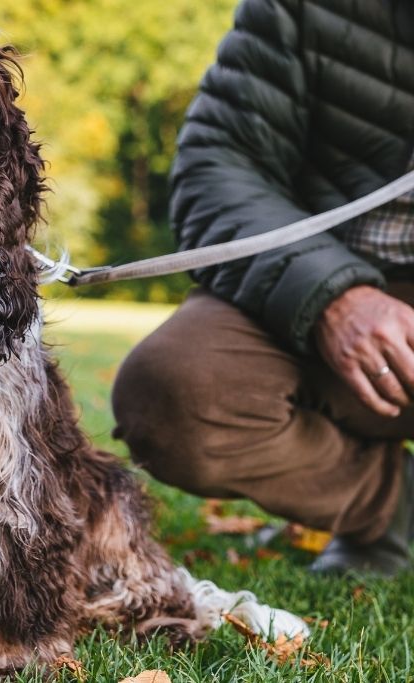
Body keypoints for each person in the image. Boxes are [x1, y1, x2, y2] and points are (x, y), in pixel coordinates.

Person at [111, 0, 414, 576]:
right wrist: (333, 297)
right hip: (312, 274)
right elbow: (217, 164)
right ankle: (386, 503)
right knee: (174, 395)